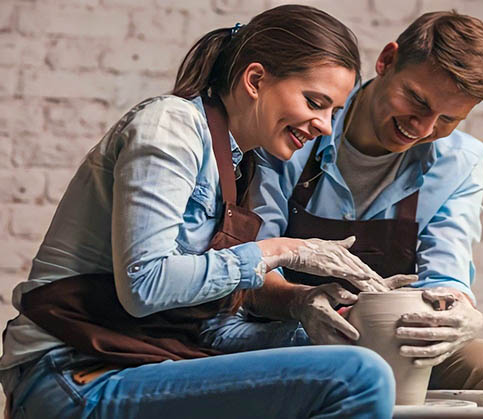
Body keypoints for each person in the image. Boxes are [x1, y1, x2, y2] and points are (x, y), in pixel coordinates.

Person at [0, 5, 411, 419]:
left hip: (146, 356)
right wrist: (283, 250)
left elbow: (206, 328)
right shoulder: (171, 127)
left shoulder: (239, 163)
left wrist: (311, 312)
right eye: (315, 102)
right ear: (255, 80)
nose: (324, 125)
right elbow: (146, 287)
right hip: (72, 371)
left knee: (351, 346)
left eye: (333, 112)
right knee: (358, 375)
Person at [239, 10, 483, 390]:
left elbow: (445, 276)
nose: (423, 128)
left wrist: (460, 309)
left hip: (393, 339)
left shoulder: (458, 161)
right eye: (417, 100)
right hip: (290, 332)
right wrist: (299, 302)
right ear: (387, 60)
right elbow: (250, 268)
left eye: (448, 119)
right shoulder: (298, 127)